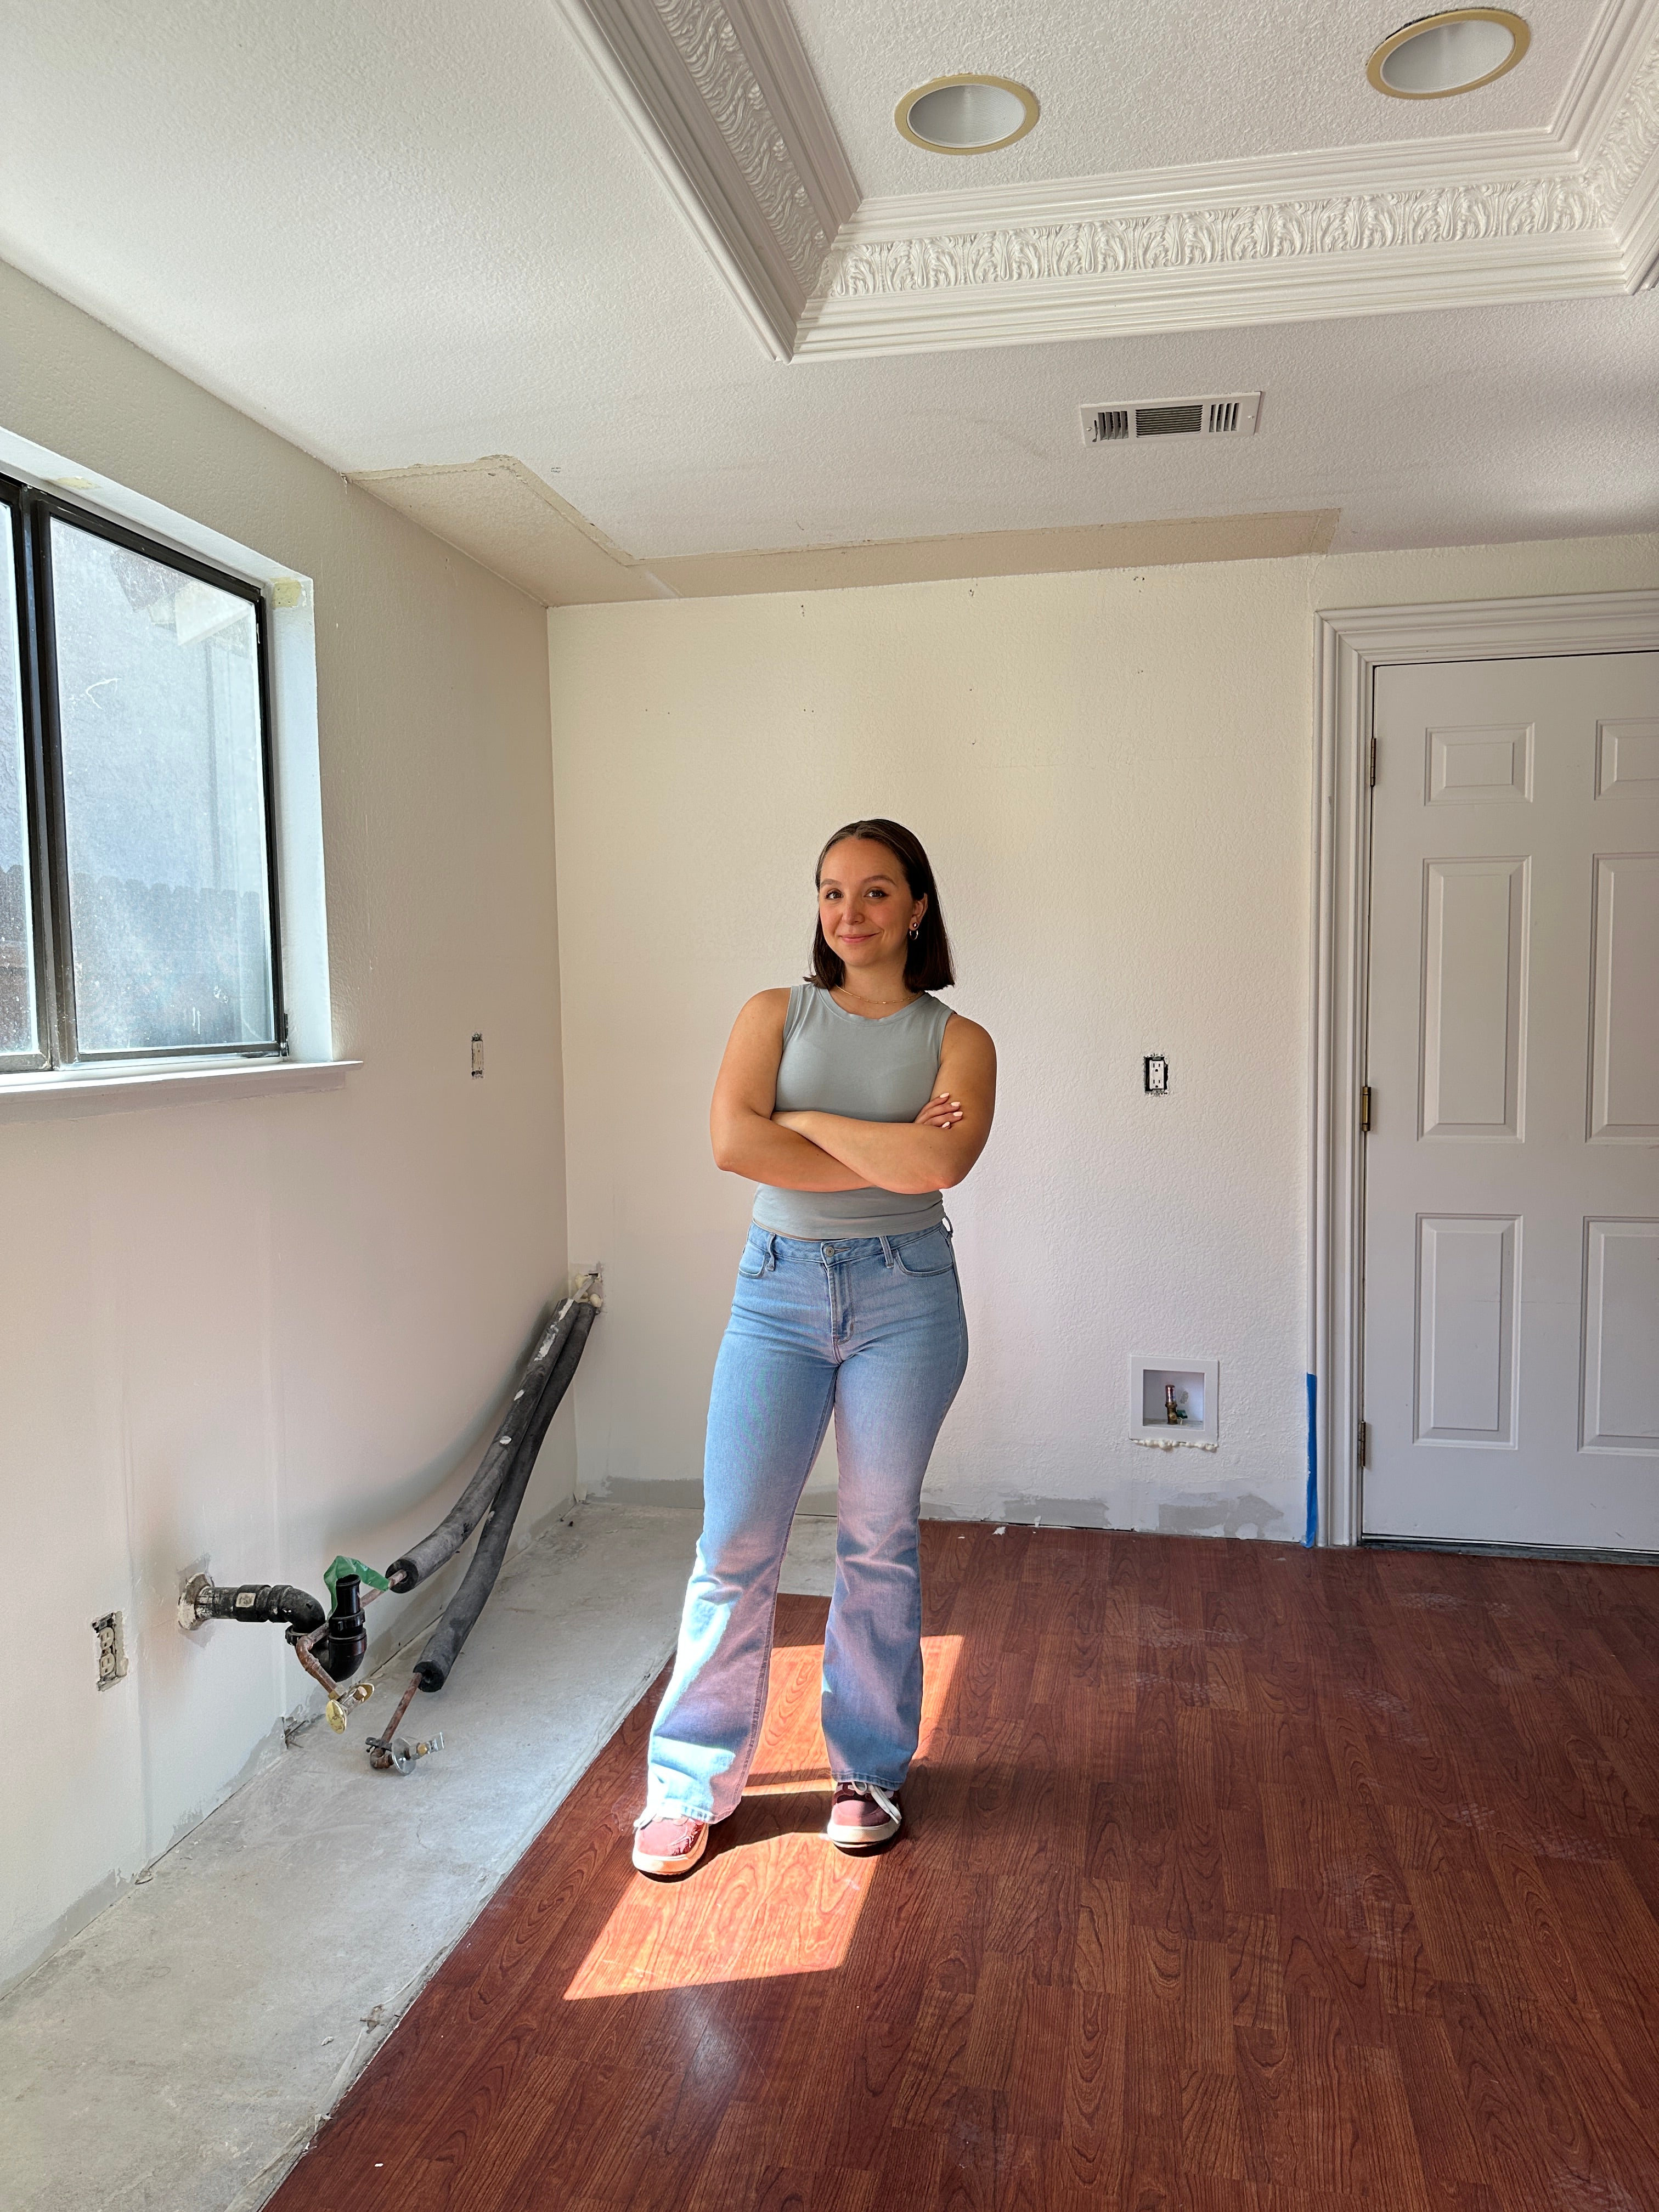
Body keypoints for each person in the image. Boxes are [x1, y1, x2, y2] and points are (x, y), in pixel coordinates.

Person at [632, 818, 996, 1877]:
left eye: (876, 893)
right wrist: (883, 1143)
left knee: (877, 1540)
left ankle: (868, 1769)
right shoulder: (772, 1012)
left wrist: (808, 1119)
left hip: (908, 1301)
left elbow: (943, 1167)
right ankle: (688, 1785)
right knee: (734, 1545)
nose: (850, 913)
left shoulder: (957, 1037)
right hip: (777, 1298)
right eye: (832, 893)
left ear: (918, 907)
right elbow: (734, 1144)